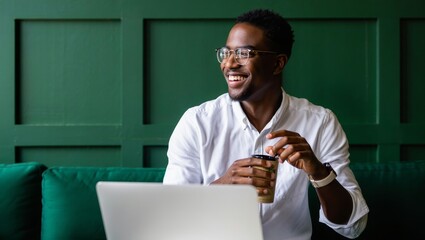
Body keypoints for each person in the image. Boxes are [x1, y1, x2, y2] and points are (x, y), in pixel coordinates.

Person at [163, 9, 369, 240]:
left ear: (278, 63)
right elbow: (171, 218)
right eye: (226, 53)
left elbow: (352, 225)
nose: (229, 64)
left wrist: (319, 171)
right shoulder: (197, 122)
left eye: (243, 53)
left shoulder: (320, 122)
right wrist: (221, 187)